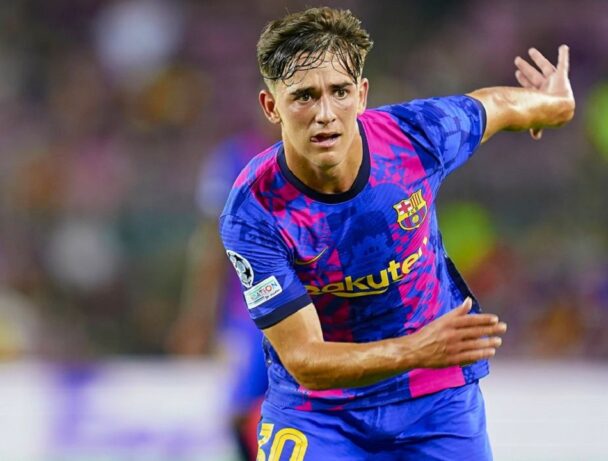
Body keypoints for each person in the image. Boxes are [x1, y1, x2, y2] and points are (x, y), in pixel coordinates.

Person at [219, 6, 574, 460]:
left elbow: (497, 106)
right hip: (319, 411)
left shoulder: (415, 137)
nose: (325, 114)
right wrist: (417, 349)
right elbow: (306, 360)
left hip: (435, 398)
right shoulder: (254, 211)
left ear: (362, 95)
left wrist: (555, 106)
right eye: (304, 96)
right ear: (272, 107)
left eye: (340, 92)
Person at [167, 132, 270, 461]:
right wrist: (197, 316)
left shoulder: (323, 153)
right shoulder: (234, 159)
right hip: (247, 315)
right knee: (241, 411)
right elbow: (211, 243)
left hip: (309, 308)